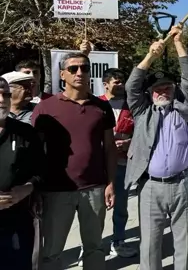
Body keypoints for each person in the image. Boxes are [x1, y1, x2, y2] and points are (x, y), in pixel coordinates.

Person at [32, 52, 117, 270]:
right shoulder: (46, 108)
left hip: (95, 188)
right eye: (73, 69)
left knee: (95, 248)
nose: (80, 72)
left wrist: (110, 183)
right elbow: (35, 151)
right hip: (56, 190)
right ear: (62, 74)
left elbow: (108, 148)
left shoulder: (102, 107)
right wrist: (36, 188)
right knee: (51, 252)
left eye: (84, 68)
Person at [124, 26, 188, 270]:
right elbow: (131, 87)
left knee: (184, 241)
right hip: (151, 185)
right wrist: (150, 56)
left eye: (166, 87)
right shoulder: (142, 111)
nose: (162, 91)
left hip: (182, 183)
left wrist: (178, 43)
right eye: (157, 89)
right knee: (150, 243)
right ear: (150, 93)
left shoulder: (184, 108)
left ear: (173, 89)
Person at [0, 77, 45, 270]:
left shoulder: (25, 132)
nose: (2, 99)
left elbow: (41, 169)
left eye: (6, 94)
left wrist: (27, 188)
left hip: (18, 219)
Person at [97, 68, 137, 258]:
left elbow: (141, 133)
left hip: (122, 164)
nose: (120, 84)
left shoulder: (132, 105)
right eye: (116, 81)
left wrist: (129, 142)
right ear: (105, 84)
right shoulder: (96, 104)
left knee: (120, 205)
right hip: (98, 164)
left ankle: (118, 241)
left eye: (122, 80)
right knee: (94, 209)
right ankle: (90, 246)